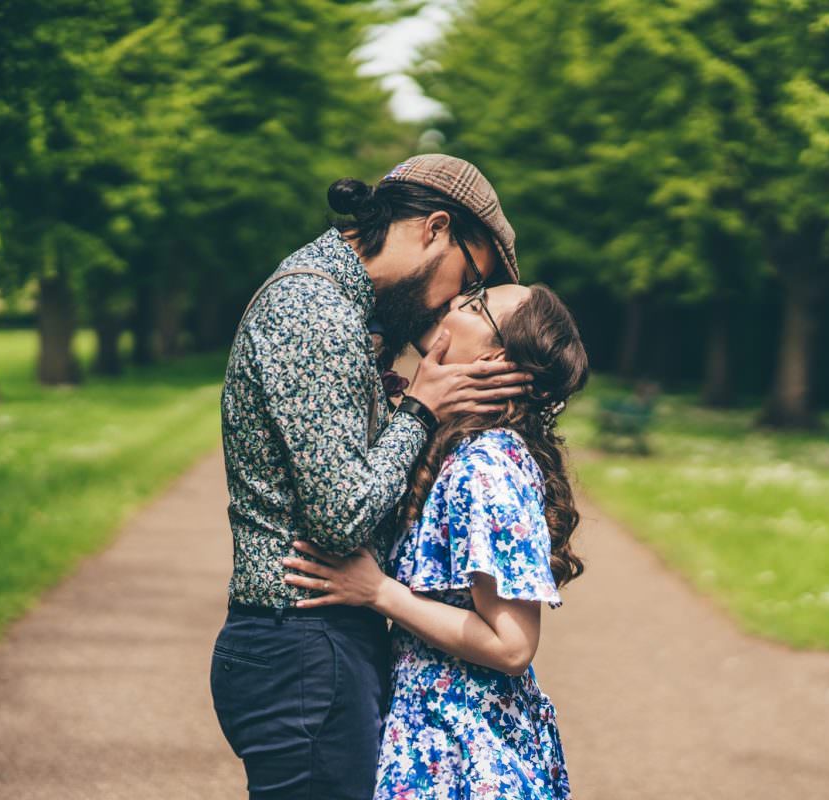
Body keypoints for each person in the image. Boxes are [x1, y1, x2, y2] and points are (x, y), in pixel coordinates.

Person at [210, 154, 534, 799]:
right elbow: (341, 516)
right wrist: (420, 409)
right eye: (467, 280)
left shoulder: (349, 311)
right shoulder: (311, 308)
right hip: (303, 640)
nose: (451, 303)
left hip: (318, 641)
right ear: (435, 228)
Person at [283, 282, 589, 799]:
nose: (451, 303)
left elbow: (512, 645)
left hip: (468, 753)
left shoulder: (487, 464)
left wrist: (380, 592)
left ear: (495, 358)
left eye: (474, 306)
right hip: (437, 737)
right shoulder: (457, 448)